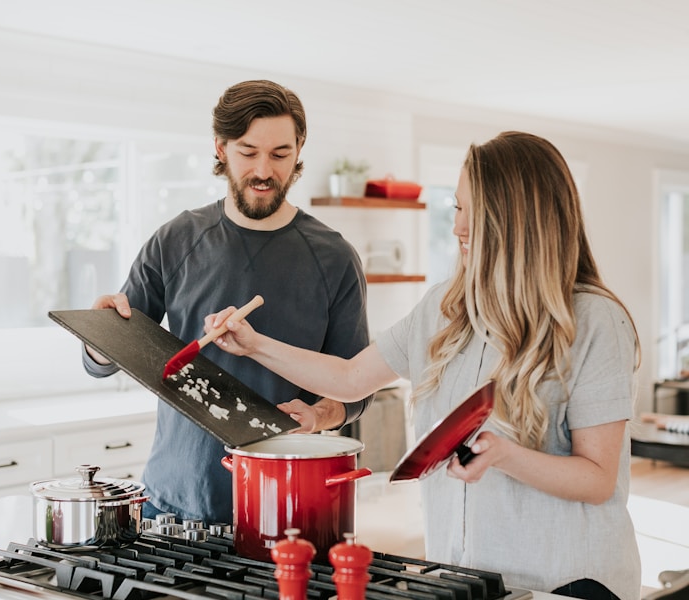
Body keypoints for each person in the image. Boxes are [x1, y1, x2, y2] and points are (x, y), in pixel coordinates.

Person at [208, 131, 641, 600]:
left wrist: (505, 455)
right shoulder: (444, 309)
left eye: (473, 212)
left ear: (519, 220)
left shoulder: (595, 320)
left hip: (567, 583)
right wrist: (253, 344)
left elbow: (598, 479)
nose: (458, 227)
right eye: (456, 208)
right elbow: (351, 378)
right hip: (466, 580)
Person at [82, 79, 373, 526]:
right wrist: (99, 338)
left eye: (279, 154)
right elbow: (108, 355)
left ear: (298, 151)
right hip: (172, 504)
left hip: (287, 506)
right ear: (220, 148)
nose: (264, 170)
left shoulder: (334, 258)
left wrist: (319, 415)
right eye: (248, 151)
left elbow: (356, 390)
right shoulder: (175, 240)